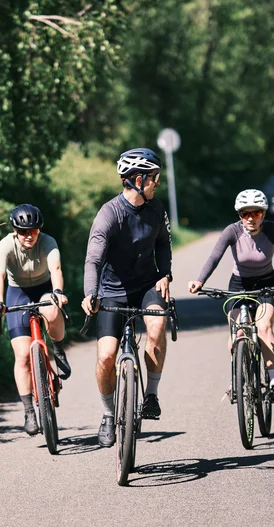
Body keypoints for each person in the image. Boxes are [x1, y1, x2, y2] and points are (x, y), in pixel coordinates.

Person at [82, 147, 174, 448]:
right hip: (111, 290)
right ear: (137, 180)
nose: (157, 182)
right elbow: (93, 259)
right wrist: (90, 292)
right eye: (153, 177)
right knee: (106, 356)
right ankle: (109, 414)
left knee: (156, 327)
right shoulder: (109, 213)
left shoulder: (156, 209)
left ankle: (151, 395)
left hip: (146, 284)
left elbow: (163, 243)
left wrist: (165, 274)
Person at [188, 188, 274, 402]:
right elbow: (214, 257)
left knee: (264, 328)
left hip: (267, 285)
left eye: (256, 213)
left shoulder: (273, 230)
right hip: (239, 285)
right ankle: (236, 377)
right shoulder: (232, 231)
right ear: (239, 214)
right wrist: (200, 281)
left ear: (263, 213)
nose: (250, 218)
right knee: (236, 331)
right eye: (244, 214)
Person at [0, 204, 71, 435]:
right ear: (15, 231)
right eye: (23, 231)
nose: (29, 235)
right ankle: (28, 412)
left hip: (44, 288)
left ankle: (58, 350)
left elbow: (56, 269)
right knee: (23, 356)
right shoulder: (5, 245)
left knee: (52, 311)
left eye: (33, 231)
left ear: (39, 230)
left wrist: (58, 292)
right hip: (17, 293)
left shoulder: (48, 242)